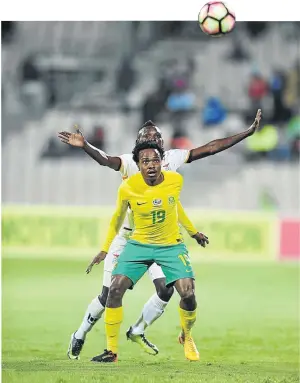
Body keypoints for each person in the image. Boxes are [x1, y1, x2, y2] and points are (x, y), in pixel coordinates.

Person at [58, 109, 262, 359]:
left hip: (162, 237)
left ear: (162, 144)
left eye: (156, 136)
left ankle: (139, 330)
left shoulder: (172, 161)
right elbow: (105, 160)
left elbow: (210, 148)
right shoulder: (131, 162)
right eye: (147, 136)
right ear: (138, 144)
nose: (152, 139)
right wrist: (86, 145)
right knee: (108, 293)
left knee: (167, 290)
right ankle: (80, 334)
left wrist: (247, 133)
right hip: (130, 237)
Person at [89, 141, 204, 362]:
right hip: (139, 244)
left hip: (170, 245)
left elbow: (176, 207)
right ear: (138, 165)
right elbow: (116, 220)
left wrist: (193, 232)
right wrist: (104, 249)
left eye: (154, 160)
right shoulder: (128, 187)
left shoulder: (175, 180)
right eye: (145, 161)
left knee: (188, 293)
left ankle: (186, 335)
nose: (151, 165)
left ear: (162, 162)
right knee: (114, 289)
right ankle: (111, 351)